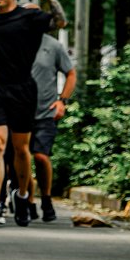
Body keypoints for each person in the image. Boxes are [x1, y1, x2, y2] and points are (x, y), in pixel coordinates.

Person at [0, 0, 66, 227]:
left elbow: (60, 21)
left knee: (21, 149)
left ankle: (23, 194)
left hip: (23, 89)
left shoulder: (29, 18)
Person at [30, 33, 76, 222]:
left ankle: (46, 199)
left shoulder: (53, 45)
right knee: (20, 157)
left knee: (40, 156)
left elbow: (71, 73)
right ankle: (27, 200)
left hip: (46, 111)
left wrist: (62, 101)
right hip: (20, 110)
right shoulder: (15, 40)